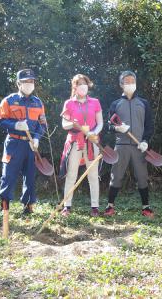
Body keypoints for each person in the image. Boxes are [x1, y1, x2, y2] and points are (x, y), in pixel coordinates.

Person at [104, 70, 154, 218]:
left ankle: (146, 207)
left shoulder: (143, 103)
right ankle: (110, 206)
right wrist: (118, 128)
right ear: (121, 84)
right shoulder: (116, 104)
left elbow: (149, 125)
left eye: (133, 81)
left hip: (139, 146)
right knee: (116, 176)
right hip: (122, 146)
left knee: (142, 176)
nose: (130, 84)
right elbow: (109, 125)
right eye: (127, 81)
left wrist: (145, 141)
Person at [0, 69, 46, 215]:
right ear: (18, 83)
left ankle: (28, 206)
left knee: (30, 176)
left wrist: (37, 137)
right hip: (14, 143)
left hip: (31, 144)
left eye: (31, 81)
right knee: (9, 175)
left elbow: (42, 123)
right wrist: (15, 125)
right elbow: (0, 120)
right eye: (26, 82)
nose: (29, 84)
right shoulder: (9, 100)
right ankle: (4, 207)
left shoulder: (38, 103)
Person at [59, 74, 102, 217]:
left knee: (93, 174)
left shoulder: (95, 102)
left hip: (91, 141)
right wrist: (74, 124)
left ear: (88, 85)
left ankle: (95, 207)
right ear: (74, 87)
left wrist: (93, 133)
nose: (82, 86)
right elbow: (64, 124)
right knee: (71, 174)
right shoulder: (68, 103)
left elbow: (100, 123)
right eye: (79, 84)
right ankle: (67, 206)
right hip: (74, 140)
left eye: (85, 83)